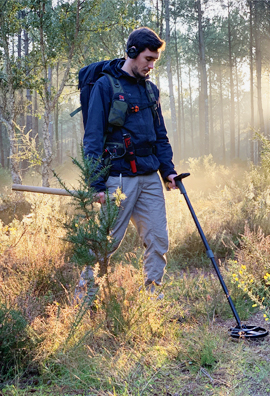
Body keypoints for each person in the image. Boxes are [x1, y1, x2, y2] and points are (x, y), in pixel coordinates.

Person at [76, 27, 177, 300]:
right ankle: (85, 297)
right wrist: (96, 182)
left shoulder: (150, 90)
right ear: (132, 53)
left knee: (158, 240)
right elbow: (93, 137)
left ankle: (152, 299)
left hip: (149, 178)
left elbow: (160, 136)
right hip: (117, 179)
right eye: (148, 59)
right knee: (106, 243)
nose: (151, 65)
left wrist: (168, 171)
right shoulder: (106, 86)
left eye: (155, 60)